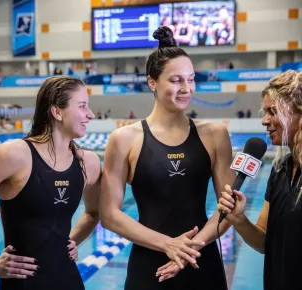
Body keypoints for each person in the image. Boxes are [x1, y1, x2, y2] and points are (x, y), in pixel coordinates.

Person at [99, 26, 236, 289]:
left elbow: (228, 209)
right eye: (176, 80)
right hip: (151, 265)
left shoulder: (215, 135)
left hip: (201, 260)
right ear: (152, 82)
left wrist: (188, 249)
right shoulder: (125, 139)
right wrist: (168, 244)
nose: (186, 88)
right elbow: (109, 214)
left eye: (191, 79)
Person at [0, 75, 102, 289]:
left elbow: (93, 212)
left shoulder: (87, 162)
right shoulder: (13, 155)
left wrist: (74, 240)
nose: (90, 114)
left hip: (68, 280)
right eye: (82, 106)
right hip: (22, 284)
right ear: (57, 112)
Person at [218, 70, 302, 290]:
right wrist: (239, 219)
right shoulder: (280, 170)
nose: (264, 120)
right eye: (265, 112)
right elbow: (265, 242)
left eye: (272, 112)